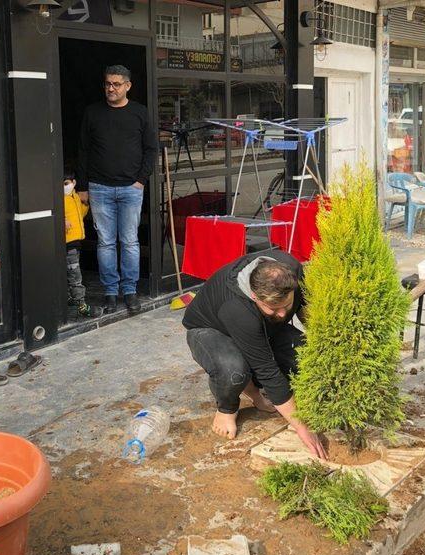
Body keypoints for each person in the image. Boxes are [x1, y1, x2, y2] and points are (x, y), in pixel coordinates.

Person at [182, 250, 327, 460]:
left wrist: (322, 340)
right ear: (254, 296)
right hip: (210, 331)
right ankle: (227, 407)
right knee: (234, 370)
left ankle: (252, 384)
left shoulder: (291, 269)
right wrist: (301, 427)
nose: (282, 314)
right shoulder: (236, 308)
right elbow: (267, 370)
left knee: (305, 357)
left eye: (286, 306)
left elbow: (306, 308)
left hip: (259, 328)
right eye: (273, 308)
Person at [77, 64, 157, 315]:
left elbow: (151, 149)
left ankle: (130, 291)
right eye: (107, 84)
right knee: (106, 243)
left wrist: (141, 180)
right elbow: (83, 151)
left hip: (131, 189)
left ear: (127, 86)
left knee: (130, 242)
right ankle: (111, 293)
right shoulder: (93, 112)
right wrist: (82, 186)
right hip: (99, 188)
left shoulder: (140, 113)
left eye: (116, 84)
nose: (111, 88)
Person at [63, 170, 102, 318]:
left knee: (71, 272)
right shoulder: (60, 199)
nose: (64, 187)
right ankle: (81, 304)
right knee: (74, 274)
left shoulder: (75, 197)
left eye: (67, 183)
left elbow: (80, 214)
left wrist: (86, 205)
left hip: (76, 242)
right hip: (68, 243)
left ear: (74, 183)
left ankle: (72, 298)